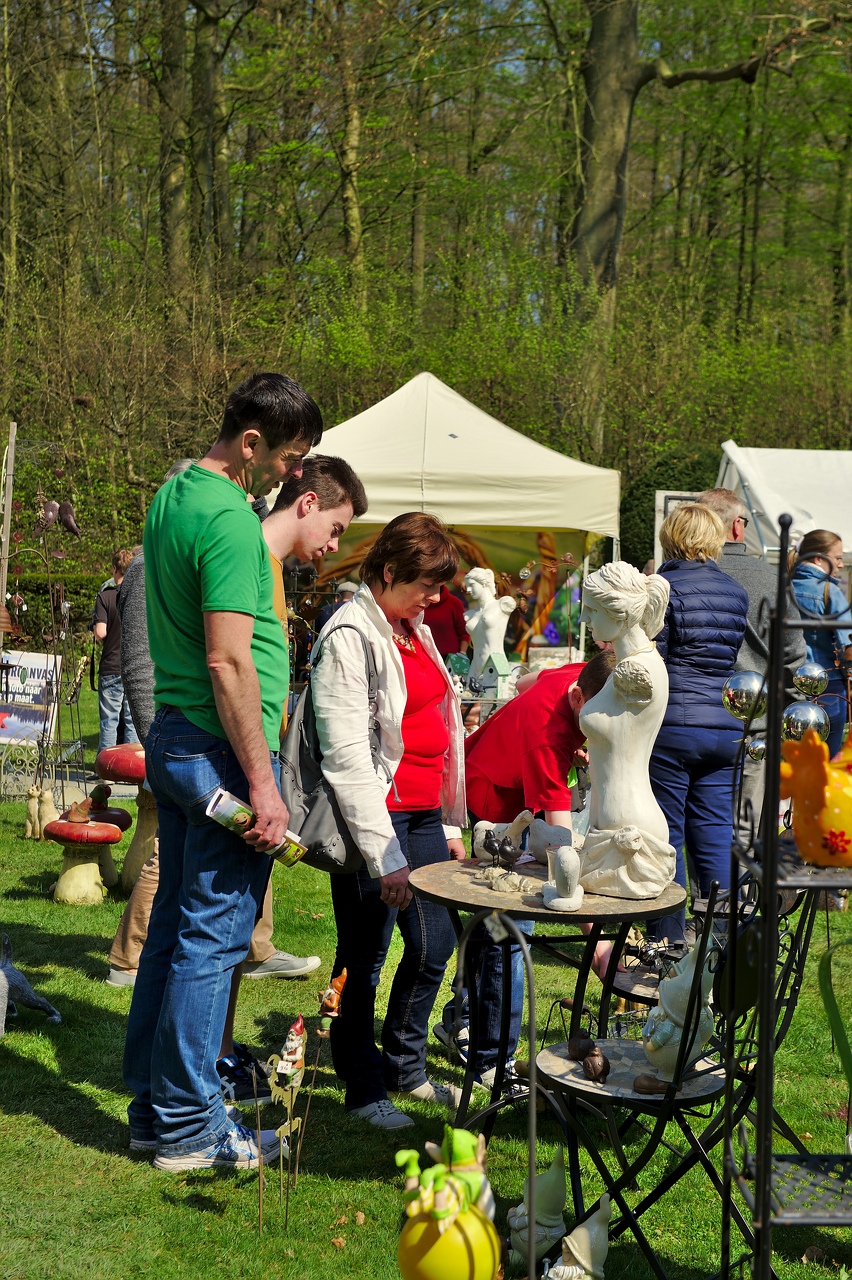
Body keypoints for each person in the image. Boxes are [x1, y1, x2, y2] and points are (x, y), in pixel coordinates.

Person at [122, 371, 323, 1172]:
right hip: (214, 749)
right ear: (251, 444)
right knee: (214, 935)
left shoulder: (172, 498)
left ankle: (153, 1107)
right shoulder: (232, 525)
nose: (294, 474)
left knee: (174, 930)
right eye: (290, 457)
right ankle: (187, 1128)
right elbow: (229, 660)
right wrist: (263, 786)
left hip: (177, 739)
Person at [310, 512, 466, 1130]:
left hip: (424, 812)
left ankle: (406, 1065)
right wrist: (386, 857)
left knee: (435, 946)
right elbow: (346, 755)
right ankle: (361, 1082)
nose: (437, 597)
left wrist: (451, 825)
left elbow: (438, 726)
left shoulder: (413, 627)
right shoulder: (351, 632)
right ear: (390, 571)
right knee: (365, 954)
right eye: (427, 583)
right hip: (374, 819)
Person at [435, 649, 616, 1086]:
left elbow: (524, 682)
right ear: (577, 698)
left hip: (514, 799)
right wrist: (600, 945)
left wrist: (582, 741)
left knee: (490, 930)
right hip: (491, 805)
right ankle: (492, 1062)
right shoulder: (546, 741)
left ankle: (459, 1018)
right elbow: (562, 862)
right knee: (512, 933)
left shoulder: (588, 675)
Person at [648, 503, 748, 943]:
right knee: (714, 831)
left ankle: (665, 944)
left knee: (664, 832)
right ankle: (725, 941)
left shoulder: (662, 588)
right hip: (726, 724)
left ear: (671, 538)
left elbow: (655, 662)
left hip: (672, 725)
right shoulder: (735, 591)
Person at [698, 488, 806, 841]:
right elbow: (793, 657)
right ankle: (737, 897)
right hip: (753, 726)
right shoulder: (771, 580)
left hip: (692, 719)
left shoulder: (685, 576)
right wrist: (787, 722)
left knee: (696, 828)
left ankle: (702, 898)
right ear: (737, 527)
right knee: (743, 832)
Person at [789, 529, 852, 759]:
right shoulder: (829, 591)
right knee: (824, 764)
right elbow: (849, 648)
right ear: (818, 559)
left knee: (793, 762)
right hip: (828, 686)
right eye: (837, 558)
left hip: (790, 685)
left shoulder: (785, 588)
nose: (841, 565)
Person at [92, 550, 140, 753]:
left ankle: (107, 771)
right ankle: (129, 770)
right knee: (132, 721)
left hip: (111, 665)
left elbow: (101, 633)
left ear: (114, 569)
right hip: (134, 666)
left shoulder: (105, 597)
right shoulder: (139, 598)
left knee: (109, 720)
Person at [424, 583, 470, 658]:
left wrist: (462, 654)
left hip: (451, 659)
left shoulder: (454, 603)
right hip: (425, 657)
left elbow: (464, 633)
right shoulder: (417, 604)